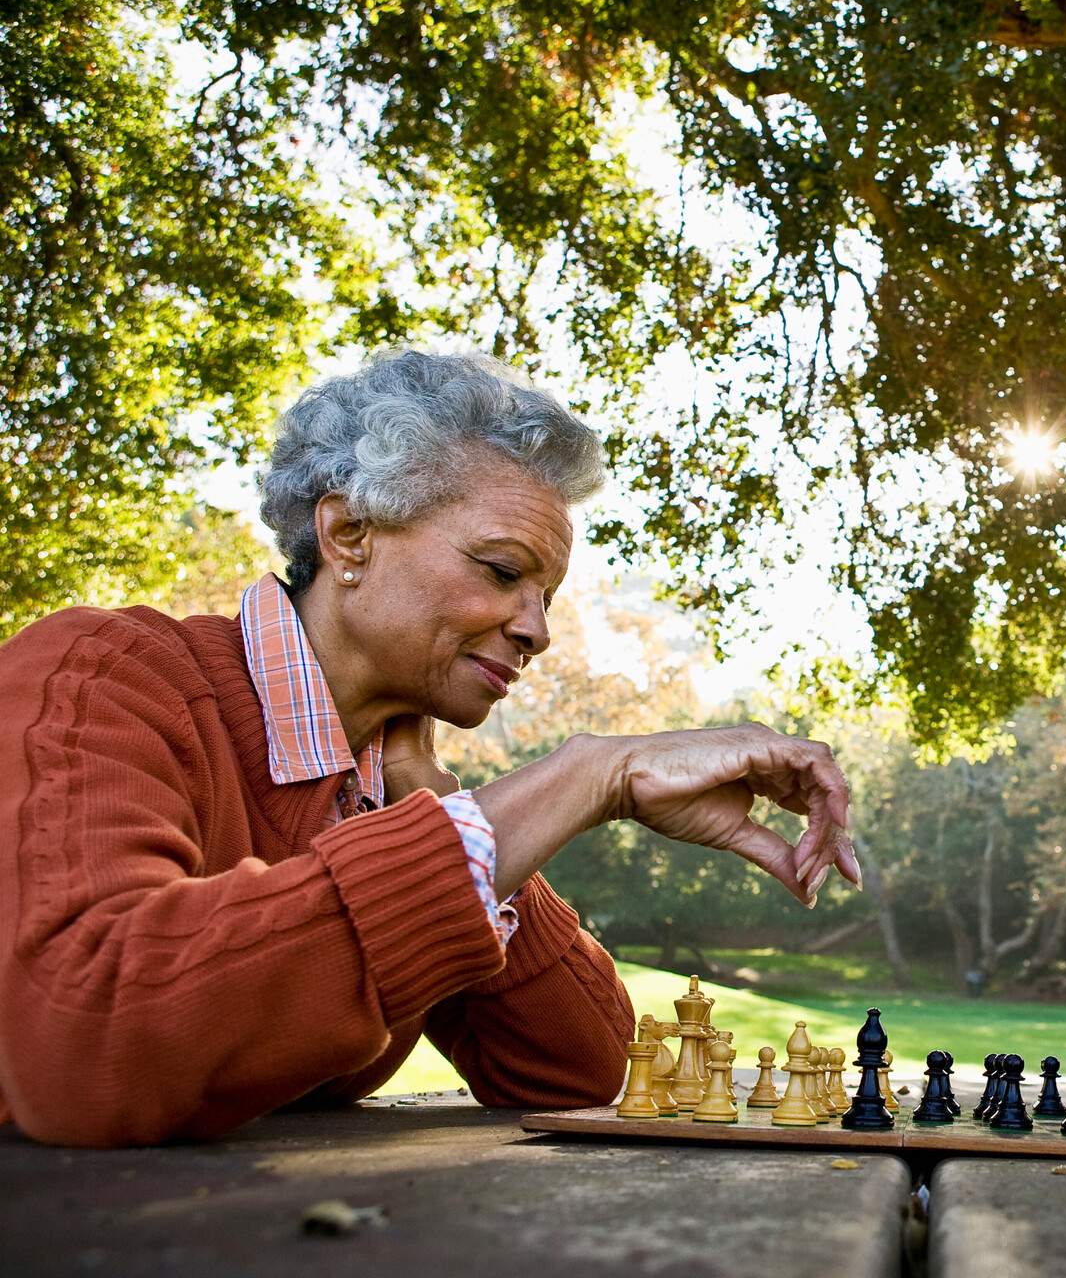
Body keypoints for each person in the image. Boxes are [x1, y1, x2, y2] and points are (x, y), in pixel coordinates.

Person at [0, 350, 859, 1148]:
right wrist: (585, 775)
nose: (537, 630)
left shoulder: (388, 777)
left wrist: (432, 802)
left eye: (545, 594)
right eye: (500, 570)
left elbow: (582, 1070)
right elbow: (80, 1037)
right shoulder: (102, 679)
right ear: (348, 537)